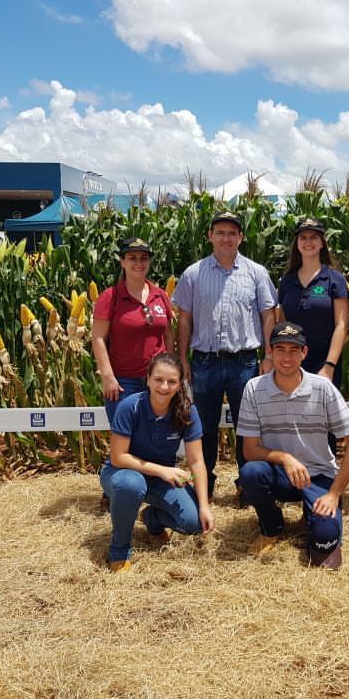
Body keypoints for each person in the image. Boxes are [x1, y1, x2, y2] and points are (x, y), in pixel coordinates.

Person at [237, 322, 349, 569]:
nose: (286, 357)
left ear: (304, 353)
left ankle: (316, 519)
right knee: (250, 473)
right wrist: (285, 457)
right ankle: (272, 526)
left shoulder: (322, 387)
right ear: (270, 352)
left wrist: (334, 494)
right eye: (280, 349)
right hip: (281, 475)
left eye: (293, 350)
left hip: (318, 477)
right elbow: (249, 450)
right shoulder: (254, 389)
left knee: (325, 545)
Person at [172, 210, 278, 501]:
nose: (226, 238)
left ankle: (248, 485)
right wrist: (183, 360)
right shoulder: (193, 274)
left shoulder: (257, 273)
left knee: (247, 428)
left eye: (232, 233)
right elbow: (184, 320)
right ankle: (203, 486)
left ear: (241, 237)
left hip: (244, 361)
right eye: (220, 232)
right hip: (204, 361)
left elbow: (268, 316)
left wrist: (268, 356)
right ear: (209, 236)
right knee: (202, 427)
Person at [100, 353, 214, 573]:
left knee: (194, 522)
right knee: (131, 485)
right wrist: (161, 470)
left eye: (172, 381)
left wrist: (204, 506)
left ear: (180, 383)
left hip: (159, 478)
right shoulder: (129, 407)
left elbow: (197, 460)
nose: (164, 386)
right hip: (122, 473)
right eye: (158, 379)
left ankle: (152, 519)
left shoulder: (187, 411)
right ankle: (119, 551)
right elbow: (118, 456)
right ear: (148, 378)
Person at [92, 237, 175, 423]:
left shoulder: (160, 295)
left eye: (144, 258)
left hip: (157, 381)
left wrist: (172, 374)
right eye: (132, 258)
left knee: (156, 435)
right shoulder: (110, 297)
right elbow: (98, 337)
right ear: (122, 261)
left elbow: (168, 335)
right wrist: (107, 376)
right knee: (125, 439)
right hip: (123, 383)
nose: (139, 263)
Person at [276, 217, 349, 388]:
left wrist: (329, 366)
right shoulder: (287, 281)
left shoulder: (334, 279)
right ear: (297, 243)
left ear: (322, 243)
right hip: (292, 362)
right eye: (303, 238)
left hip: (324, 363)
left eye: (313, 237)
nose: (308, 242)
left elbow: (341, 325)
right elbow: (282, 322)